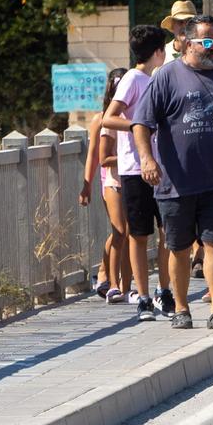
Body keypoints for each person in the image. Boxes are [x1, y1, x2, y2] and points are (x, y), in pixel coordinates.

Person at [131, 16, 213, 331]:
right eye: (207, 42)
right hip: (176, 181)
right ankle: (182, 308)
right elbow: (142, 123)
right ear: (187, 42)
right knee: (179, 247)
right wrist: (147, 158)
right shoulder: (167, 76)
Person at [99, 26, 171, 321]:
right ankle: (143, 297)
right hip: (134, 168)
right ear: (157, 52)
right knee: (139, 235)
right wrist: (137, 125)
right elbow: (109, 116)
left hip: (163, 167)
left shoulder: (157, 79)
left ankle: (165, 291)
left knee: (168, 233)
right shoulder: (132, 78)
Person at [79, 66, 130, 303]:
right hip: (108, 176)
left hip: (130, 175)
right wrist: (86, 184)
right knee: (119, 229)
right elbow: (93, 155)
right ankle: (108, 278)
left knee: (125, 231)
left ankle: (104, 272)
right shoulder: (101, 119)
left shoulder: (132, 114)